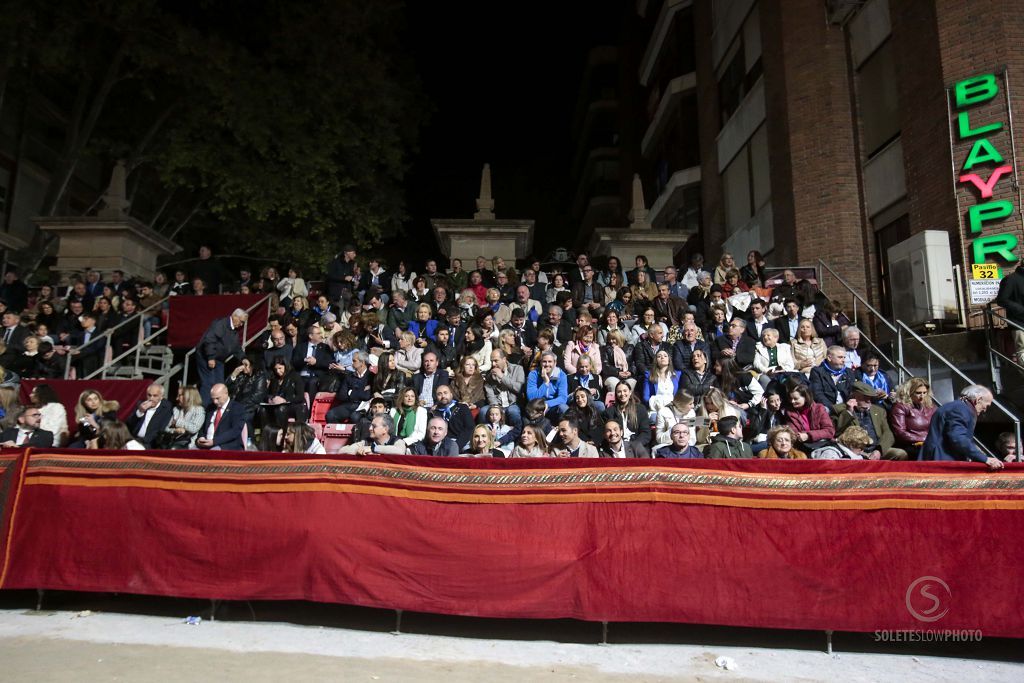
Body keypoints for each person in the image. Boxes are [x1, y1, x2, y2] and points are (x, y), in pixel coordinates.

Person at [920, 385, 1003, 469]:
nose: (985, 410)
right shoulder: (960, 409)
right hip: (942, 460)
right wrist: (984, 459)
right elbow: (958, 438)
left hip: (939, 458)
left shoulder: (956, 406)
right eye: (987, 406)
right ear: (978, 399)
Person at [834, 381, 907, 460]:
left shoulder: (879, 411)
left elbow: (888, 433)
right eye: (865, 398)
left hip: (876, 448)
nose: (869, 401)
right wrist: (849, 412)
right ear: (854, 396)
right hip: (854, 450)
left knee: (900, 454)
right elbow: (837, 432)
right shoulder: (839, 409)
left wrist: (879, 450)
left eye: (870, 398)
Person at [195, 308, 248, 404]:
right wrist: (210, 357)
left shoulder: (234, 331)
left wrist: (243, 358)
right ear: (235, 316)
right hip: (206, 356)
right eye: (241, 321)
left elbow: (236, 347)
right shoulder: (220, 324)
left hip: (219, 359)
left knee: (220, 385)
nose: (242, 324)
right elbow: (210, 340)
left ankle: (216, 409)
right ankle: (204, 409)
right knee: (208, 383)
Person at [889, 377, 937, 458]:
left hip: (930, 443)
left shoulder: (931, 407)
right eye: (918, 393)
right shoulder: (900, 407)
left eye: (924, 392)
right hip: (910, 445)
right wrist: (924, 439)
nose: (922, 396)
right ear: (909, 393)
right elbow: (900, 433)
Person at [784, 383, 835, 452]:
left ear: (805, 397)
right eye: (791, 399)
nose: (792, 401)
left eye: (796, 399)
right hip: (802, 447)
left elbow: (829, 431)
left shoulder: (819, 409)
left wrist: (808, 436)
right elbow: (793, 432)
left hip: (823, 445)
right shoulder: (790, 413)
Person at [326, 351, 373, 423]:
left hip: (362, 406)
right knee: (330, 415)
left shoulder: (370, 376)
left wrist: (350, 392)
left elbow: (367, 396)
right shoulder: (349, 376)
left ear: (362, 363)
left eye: (354, 361)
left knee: (354, 417)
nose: (352, 363)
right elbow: (342, 395)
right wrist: (360, 392)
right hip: (349, 404)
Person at [604, 381, 652, 449]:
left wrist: (634, 446)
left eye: (625, 391)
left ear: (630, 392)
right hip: (618, 447)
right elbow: (608, 434)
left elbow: (645, 433)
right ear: (616, 394)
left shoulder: (641, 409)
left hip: (637, 447)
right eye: (619, 392)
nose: (622, 394)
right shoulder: (609, 412)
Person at [196, 383, 245, 450]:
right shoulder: (210, 408)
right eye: (212, 399)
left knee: (214, 452)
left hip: (226, 445)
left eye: (217, 398)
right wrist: (201, 438)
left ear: (226, 393)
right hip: (206, 444)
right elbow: (203, 428)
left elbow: (235, 431)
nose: (215, 401)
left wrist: (214, 441)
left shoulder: (237, 408)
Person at [808, 346, 857, 412]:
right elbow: (817, 394)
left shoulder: (848, 372)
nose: (843, 360)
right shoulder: (817, 372)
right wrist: (833, 408)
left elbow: (853, 391)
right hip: (827, 408)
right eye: (840, 357)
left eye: (844, 357)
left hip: (847, 407)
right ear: (829, 358)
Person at [483, 349, 525, 426]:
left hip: (513, 404)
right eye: (492, 361)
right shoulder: (489, 375)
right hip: (497, 405)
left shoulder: (517, 369)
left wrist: (502, 377)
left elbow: (519, 388)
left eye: (496, 361)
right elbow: (490, 394)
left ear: (504, 359)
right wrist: (495, 408)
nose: (493, 364)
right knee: (483, 411)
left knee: (513, 412)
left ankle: (516, 434)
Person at [125, 383, 174, 448]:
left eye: (155, 396)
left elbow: (160, 428)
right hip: (134, 439)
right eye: (149, 395)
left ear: (161, 397)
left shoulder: (166, 407)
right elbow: (129, 423)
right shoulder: (141, 404)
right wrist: (140, 412)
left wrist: (143, 441)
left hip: (150, 443)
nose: (151, 398)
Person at [430, 384, 475, 450]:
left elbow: (470, 428)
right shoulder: (434, 413)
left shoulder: (462, 408)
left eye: (445, 393)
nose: (443, 396)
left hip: (463, 442)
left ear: (451, 394)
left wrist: (456, 446)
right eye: (439, 394)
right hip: (443, 444)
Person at [526, 350, 569, 418]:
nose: (547, 364)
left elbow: (563, 398)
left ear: (555, 363)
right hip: (537, 407)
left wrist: (547, 404)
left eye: (550, 361)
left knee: (563, 407)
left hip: (553, 406)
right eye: (544, 361)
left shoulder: (561, 375)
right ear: (540, 363)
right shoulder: (533, 374)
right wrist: (545, 383)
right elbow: (531, 398)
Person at [339, 413, 407, 456]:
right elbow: (341, 451)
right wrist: (358, 451)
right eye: (371, 425)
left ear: (385, 429)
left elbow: (400, 451)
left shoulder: (397, 441)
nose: (370, 428)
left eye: (374, 426)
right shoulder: (366, 442)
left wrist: (373, 449)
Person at [996, 263, 1024, 364]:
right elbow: (1002, 299)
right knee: (1023, 351)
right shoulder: (1010, 279)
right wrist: (1021, 310)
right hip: (1019, 323)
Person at [164, 385, 206, 449]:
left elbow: (193, 428)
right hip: (173, 441)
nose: (177, 399)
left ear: (189, 397)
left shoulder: (199, 410)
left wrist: (177, 422)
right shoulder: (176, 409)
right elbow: (166, 428)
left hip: (190, 444)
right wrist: (176, 431)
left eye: (179, 395)